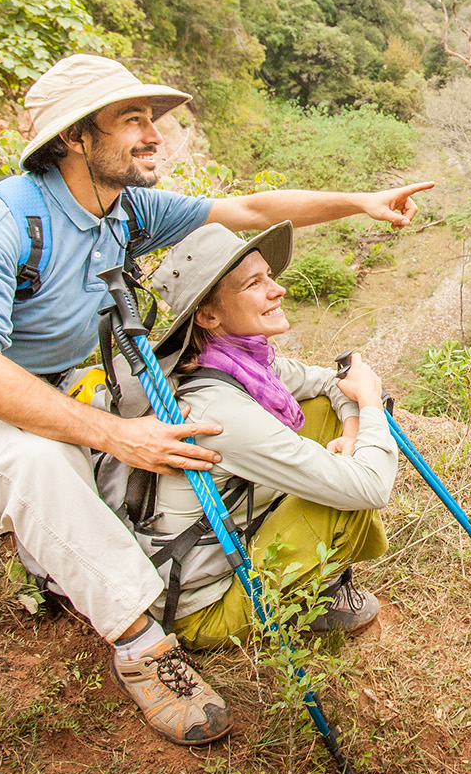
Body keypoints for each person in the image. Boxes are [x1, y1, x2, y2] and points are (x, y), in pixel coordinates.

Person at [0, 54, 432, 747]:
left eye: (151, 120)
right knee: (38, 461)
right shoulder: (5, 221)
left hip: (51, 388)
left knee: (198, 419)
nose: (153, 135)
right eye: (130, 120)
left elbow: (250, 209)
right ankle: (142, 644)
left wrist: (360, 203)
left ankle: (270, 574)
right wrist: (113, 434)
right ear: (74, 137)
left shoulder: (121, 211)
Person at [126, 220, 394, 652]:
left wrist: (350, 428)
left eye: (269, 275)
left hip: (217, 552)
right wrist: (370, 405)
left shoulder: (240, 366)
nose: (277, 289)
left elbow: (329, 384)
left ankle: (313, 574)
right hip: (202, 612)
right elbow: (371, 486)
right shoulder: (219, 410)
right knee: (347, 500)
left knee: (323, 410)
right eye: (255, 283)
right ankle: (319, 588)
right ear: (209, 315)